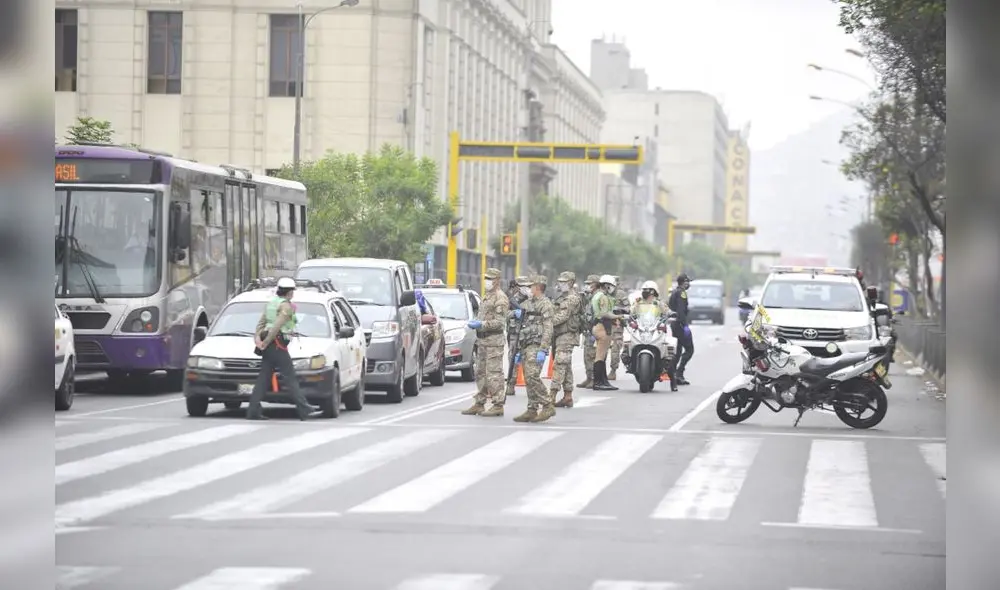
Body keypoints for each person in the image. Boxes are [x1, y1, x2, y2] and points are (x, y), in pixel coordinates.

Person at [249, 277, 321, 421]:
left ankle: (252, 410)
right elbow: (277, 326)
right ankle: (304, 410)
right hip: (277, 343)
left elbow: (261, 323)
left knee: (263, 378)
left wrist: (258, 339)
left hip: (269, 344)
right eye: (292, 291)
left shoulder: (271, 303)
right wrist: (266, 342)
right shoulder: (286, 306)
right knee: (290, 377)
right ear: (289, 292)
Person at [461, 268, 510, 417]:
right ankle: (479, 403)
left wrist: (481, 324)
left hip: (494, 341)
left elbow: (500, 323)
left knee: (494, 374)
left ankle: (498, 404)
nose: (487, 281)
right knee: (480, 372)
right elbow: (484, 315)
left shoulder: (500, 298)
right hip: (482, 341)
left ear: (497, 281)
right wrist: (476, 321)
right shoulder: (487, 296)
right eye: (486, 278)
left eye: (490, 279)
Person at [513, 275, 555, 423]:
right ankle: (532, 409)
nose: (529, 289)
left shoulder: (545, 304)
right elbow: (520, 324)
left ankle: (547, 404)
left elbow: (548, 328)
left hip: (536, 345)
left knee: (532, 376)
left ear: (537, 287)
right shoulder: (527, 303)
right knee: (528, 377)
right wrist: (518, 349)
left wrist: (543, 349)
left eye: (531, 286)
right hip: (526, 344)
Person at [631, 280, 677, 391]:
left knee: (669, 353)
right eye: (644, 290)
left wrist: (670, 313)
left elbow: (667, 311)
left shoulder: (659, 303)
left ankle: (673, 380)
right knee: (627, 344)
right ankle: (630, 362)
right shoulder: (638, 302)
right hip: (642, 329)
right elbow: (631, 311)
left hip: (655, 329)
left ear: (654, 292)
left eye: (649, 290)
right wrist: (626, 313)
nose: (646, 293)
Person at [550, 271, 582, 408]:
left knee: (559, 364)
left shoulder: (572, 298)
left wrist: (546, 322)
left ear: (571, 283)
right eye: (560, 281)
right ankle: (568, 396)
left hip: (568, 335)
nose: (561, 284)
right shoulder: (561, 297)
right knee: (566, 365)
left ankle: (551, 395)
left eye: (564, 282)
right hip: (560, 334)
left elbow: (562, 316)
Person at [589, 274, 620, 391]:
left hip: (597, 326)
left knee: (600, 355)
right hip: (603, 327)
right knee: (600, 356)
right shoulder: (603, 297)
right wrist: (618, 316)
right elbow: (605, 313)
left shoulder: (596, 295)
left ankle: (603, 381)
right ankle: (598, 382)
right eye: (611, 286)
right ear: (607, 285)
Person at [502, 275, 531, 399]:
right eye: (524, 286)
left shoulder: (532, 299)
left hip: (529, 333)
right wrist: (514, 313)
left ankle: (531, 388)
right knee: (513, 358)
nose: (526, 288)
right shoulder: (511, 299)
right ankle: (510, 385)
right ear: (518, 287)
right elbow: (503, 314)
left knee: (529, 360)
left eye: (528, 286)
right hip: (515, 333)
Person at [667, 273, 693, 385]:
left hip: (674, 324)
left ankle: (673, 374)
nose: (689, 284)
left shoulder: (674, 292)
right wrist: (685, 325)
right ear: (684, 282)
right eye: (688, 282)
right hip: (680, 325)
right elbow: (681, 311)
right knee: (689, 349)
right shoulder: (682, 293)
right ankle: (679, 373)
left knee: (677, 351)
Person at [576, 274, 600, 389]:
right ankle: (589, 377)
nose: (588, 286)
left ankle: (594, 379)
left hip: (594, 330)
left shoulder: (599, 297)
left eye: (590, 284)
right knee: (586, 355)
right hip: (587, 330)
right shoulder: (589, 296)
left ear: (596, 284)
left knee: (592, 355)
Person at [608, 275, 629, 380]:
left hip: (617, 324)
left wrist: (618, 309)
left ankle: (613, 371)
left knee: (615, 348)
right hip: (604, 324)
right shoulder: (603, 293)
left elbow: (628, 308)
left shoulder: (621, 294)